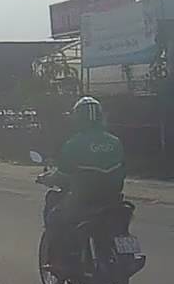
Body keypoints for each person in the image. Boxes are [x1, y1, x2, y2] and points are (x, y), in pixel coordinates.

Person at [42, 96, 126, 269]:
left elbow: (62, 175)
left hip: (82, 200)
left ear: (78, 118)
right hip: (113, 200)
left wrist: (47, 178)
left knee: (54, 216)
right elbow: (123, 170)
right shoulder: (115, 142)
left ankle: (59, 261)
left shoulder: (73, 144)